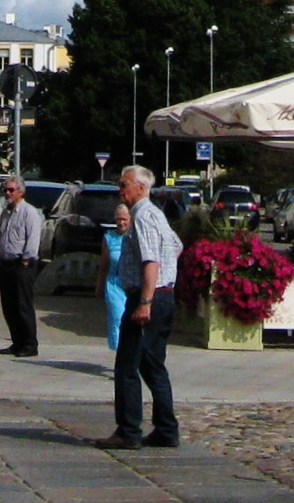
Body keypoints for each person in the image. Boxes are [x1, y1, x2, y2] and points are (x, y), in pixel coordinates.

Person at [98, 164, 180, 450]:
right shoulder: (156, 214)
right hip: (164, 294)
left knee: (127, 365)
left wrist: (145, 301)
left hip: (149, 297)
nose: (119, 190)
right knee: (152, 365)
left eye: (124, 184)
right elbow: (176, 246)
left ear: (141, 188)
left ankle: (128, 430)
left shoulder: (143, 216)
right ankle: (166, 429)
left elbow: (151, 261)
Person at [0, 175, 45, 358]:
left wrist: (26, 261)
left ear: (20, 192)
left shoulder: (30, 213)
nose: (7, 193)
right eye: (5, 190)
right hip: (5, 264)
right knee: (9, 306)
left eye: (11, 190)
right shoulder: (5, 212)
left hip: (22, 264)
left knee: (23, 305)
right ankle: (17, 342)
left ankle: (30, 344)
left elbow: (33, 240)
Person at [97, 202, 131, 352]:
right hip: (114, 283)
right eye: (118, 219)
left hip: (131, 284)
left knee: (131, 321)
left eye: (124, 219)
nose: (121, 223)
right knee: (117, 317)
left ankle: (130, 353)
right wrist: (99, 286)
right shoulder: (109, 238)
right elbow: (104, 264)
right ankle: (119, 351)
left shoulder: (135, 237)